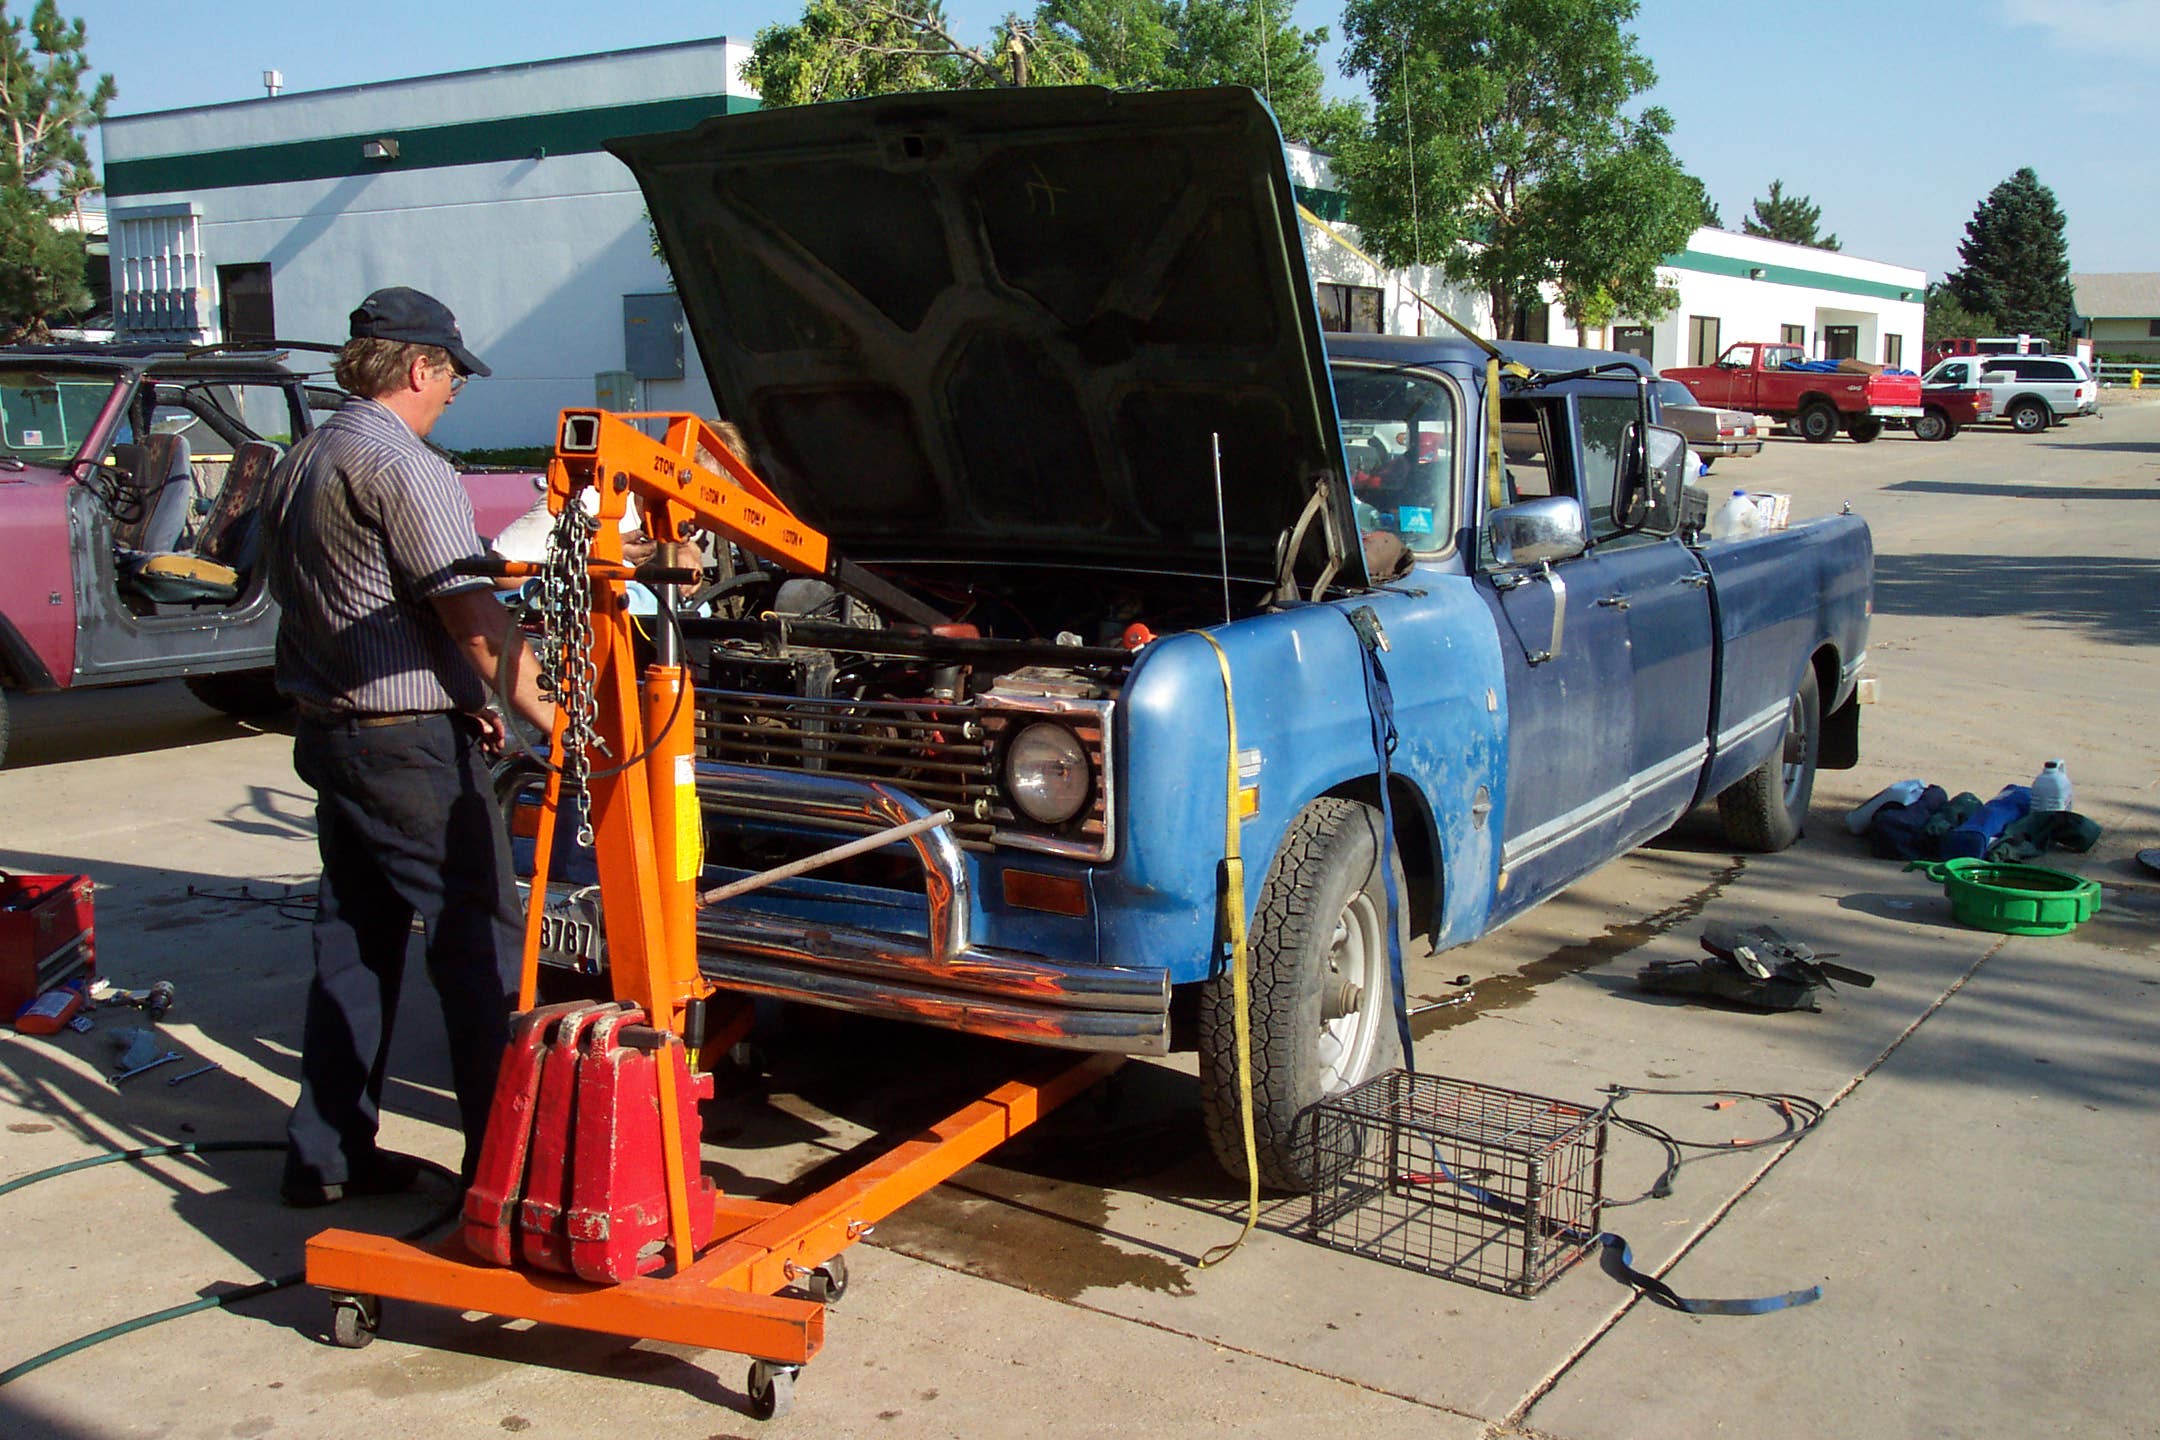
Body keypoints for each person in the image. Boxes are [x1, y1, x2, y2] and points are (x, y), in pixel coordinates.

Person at [261, 286, 555, 1207]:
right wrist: (570, 722)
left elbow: (355, 606)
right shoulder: (407, 466)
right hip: (404, 750)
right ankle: (502, 1176)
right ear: (419, 368)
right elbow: (472, 619)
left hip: (336, 734)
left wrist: (461, 697)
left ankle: (327, 1156)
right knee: (479, 946)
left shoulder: (301, 457)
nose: (454, 393)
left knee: (355, 939)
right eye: (452, 376)